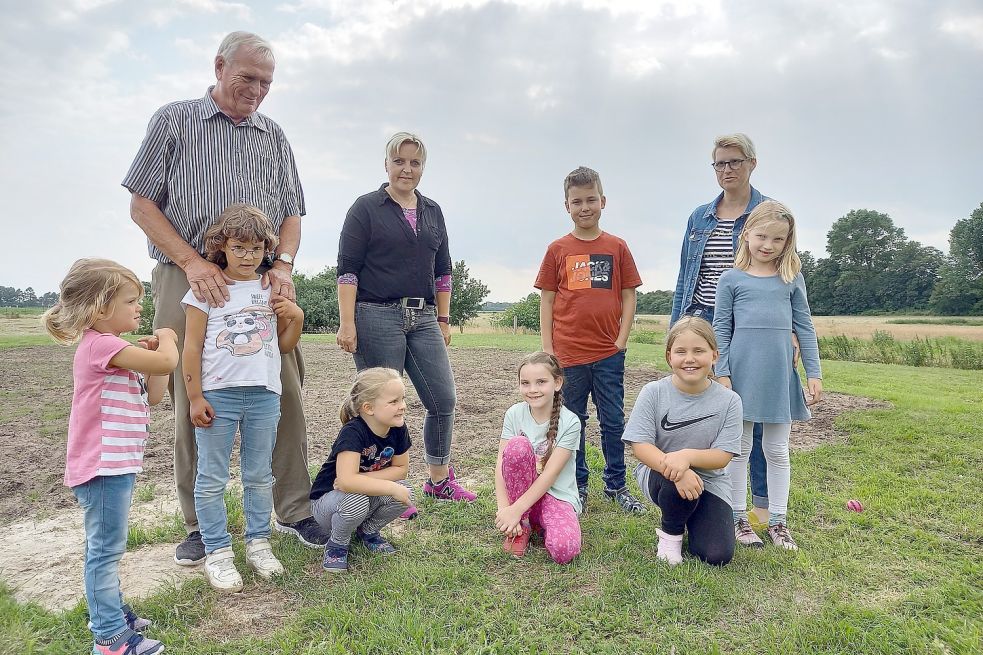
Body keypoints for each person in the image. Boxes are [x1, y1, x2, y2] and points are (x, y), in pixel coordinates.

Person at [122, 31, 328, 563]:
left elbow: (291, 215)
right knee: (195, 394)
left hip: (260, 280)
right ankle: (200, 523)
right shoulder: (174, 120)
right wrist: (193, 262)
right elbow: (142, 205)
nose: (256, 91)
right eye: (247, 78)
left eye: (266, 83)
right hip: (184, 273)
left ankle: (294, 510)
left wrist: (281, 264)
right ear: (218, 67)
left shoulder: (274, 136)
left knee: (281, 388)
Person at [336, 132, 476, 517]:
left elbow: (443, 271)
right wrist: (347, 323)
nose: (407, 169)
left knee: (442, 400)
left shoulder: (433, 211)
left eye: (415, 163)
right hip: (376, 313)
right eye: (399, 161)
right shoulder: (365, 208)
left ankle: (439, 480)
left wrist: (444, 318)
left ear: (422, 168)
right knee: (379, 407)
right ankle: (381, 490)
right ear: (386, 164)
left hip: (424, 315)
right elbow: (347, 271)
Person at [43, 259, 179, 655]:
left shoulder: (115, 350)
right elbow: (169, 359)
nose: (140, 307)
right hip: (104, 466)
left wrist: (155, 360)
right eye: (131, 300)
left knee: (106, 547)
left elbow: (153, 394)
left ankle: (113, 613)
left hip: (116, 463)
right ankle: (110, 638)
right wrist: (168, 338)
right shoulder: (101, 345)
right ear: (101, 308)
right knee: (105, 551)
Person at [182, 205, 304, 591]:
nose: (248, 256)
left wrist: (295, 317)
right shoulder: (205, 291)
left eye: (256, 248)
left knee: (258, 474)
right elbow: (192, 348)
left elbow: (283, 345)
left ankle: (258, 543)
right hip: (219, 395)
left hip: (264, 396)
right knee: (212, 477)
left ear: (267, 248)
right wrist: (194, 396)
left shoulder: (272, 288)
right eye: (239, 247)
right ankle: (217, 551)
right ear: (222, 247)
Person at [669, 133, 786, 529]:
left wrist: (787, 332)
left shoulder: (767, 214)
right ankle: (704, 495)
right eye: (720, 163)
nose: (727, 170)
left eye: (735, 162)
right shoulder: (699, 216)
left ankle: (763, 505)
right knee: (701, 410)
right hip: (701, 321)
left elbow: (786, 275)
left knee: (749, 411)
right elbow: (687, 274)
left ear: (752, 163)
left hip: (748, 326)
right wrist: (676, 330)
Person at [713, 200, 823, 551]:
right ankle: (738, 518)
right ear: (747, 235)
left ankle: (778, 521)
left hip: (779, 378)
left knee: (777, 450)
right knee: (740, 450)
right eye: (761, 236)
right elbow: (721, 328)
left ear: (787, 242)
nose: (768, 245)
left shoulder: (791, 280)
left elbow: (804, 328)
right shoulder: (731, 279)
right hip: (741, 378)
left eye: (778, 239)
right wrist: (723, 372)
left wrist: (813, 373)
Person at [535, 166, 644, 514]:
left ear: (603, 201)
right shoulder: (557, 249)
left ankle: (616, 485)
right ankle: (577, 485)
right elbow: (548, 299)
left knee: (612, 419)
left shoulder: (617, 247)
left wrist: (621, 340)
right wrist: (549, 349)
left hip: (608, 353)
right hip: (569, 354)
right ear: (566, 206)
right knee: (573, 421)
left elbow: (629, 295)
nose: (585, 207)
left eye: (591, 200)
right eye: (577, 201)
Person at [622, 317, 741, 566]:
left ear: (715, 356)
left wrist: (686, 457)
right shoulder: (653, 392)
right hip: (659, 472)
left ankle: (692, 515)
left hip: (709, 479)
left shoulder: (730, 401)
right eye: (681, 351)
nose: (690, 358)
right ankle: (671, 535)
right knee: (675, 483)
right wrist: (677, 468)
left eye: (699, 351)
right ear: (669, 357)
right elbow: (640, 445)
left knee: (717, 555)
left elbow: (723, 455)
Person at [310, 368, 413, 573]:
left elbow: (401, 470)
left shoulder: (398, 428)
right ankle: (337, 544)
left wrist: (361, 479)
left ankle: (368, 532)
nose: (402, 407)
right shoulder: (353, 432)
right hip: (328, 504)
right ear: (368, 408)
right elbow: (346, 483)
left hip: (358, 493)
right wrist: (384, 486)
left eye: (402, 399)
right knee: (357, 498)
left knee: (406, 491)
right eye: (394, 402)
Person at [495, 352, 582, 564]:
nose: (532, 389)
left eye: (541, 382)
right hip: (520, 495)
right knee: (517, 447)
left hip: (556, 495)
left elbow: (549, 476)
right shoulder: (514, 414)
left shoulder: (570, 422)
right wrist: (505, 510)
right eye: (525, 383)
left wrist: (515, 510)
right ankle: (523, 525)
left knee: (564, 550)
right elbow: (500, 466)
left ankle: (544, 523)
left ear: (557, 383)